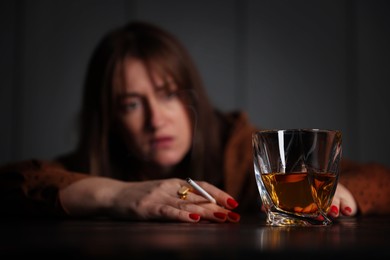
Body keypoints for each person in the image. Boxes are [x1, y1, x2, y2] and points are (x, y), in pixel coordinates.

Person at [0, 21, 389, 223]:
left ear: (192, 97)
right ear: (111, 119)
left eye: (169, 94)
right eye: (132, 104)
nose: (156, 119)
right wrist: (116, 195)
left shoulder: (245, 150)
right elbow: (12, 183)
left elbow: (381, 179)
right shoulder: (90, 166)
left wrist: (344, 196)